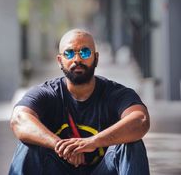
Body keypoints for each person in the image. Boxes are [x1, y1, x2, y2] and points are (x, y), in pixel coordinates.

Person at [9, 28, 150, 175]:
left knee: (131, 143)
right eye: (69, 53)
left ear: (96, 58)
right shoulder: (47, 92)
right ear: (60, 60)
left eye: (85, 52)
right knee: (28, 145)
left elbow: (140, 120)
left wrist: (92, 142)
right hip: (57, 169)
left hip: (103, 171)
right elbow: (19, 119)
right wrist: (60, 146)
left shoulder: (115, 93)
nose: (77, 59)